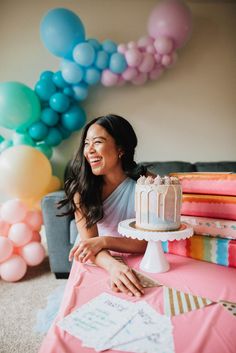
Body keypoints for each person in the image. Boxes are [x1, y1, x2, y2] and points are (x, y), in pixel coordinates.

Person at [60, 114, 150, 298]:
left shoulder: (146, 185)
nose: (89, 150)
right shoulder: (81, 191)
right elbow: (88, 245)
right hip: (97, 257)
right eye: (86, 143)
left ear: (121, 148)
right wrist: (113, 266)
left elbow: (146, 244)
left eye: (97, 142)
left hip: (134, 252)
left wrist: (105, 240)